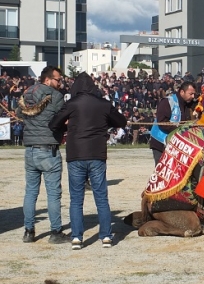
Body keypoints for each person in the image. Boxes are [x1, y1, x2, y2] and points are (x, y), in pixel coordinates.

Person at [49, 72, 127, 250]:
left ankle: (77, 237)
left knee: (76, 199)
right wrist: (105, 123)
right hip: (97, 153)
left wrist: (67, 124)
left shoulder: (71, 104)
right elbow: (121, 121)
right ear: (93, 87)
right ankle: (106, 236)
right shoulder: (103, 104)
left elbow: (53, 124)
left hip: (76, 153)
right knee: (101, 197)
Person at [17, 66, 68, 244]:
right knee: (53, 194)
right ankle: (55, 232)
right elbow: (62, 119)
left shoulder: (27, 92)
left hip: (30, 149)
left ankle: (29, 232)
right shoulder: (56, 96)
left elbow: (18, 113)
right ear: (47, 80)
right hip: (48, 149)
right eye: (58, 80)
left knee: (31, 192)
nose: (60, 83)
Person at [149, 81, 196, 164]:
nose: (193, 96)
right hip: (160, 141)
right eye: (190, 94)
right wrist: (180, 130)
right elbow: (162, 122)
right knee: (162, 169)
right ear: (182, 92)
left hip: (174, 142)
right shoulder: (168, 101)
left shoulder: (187, 104)